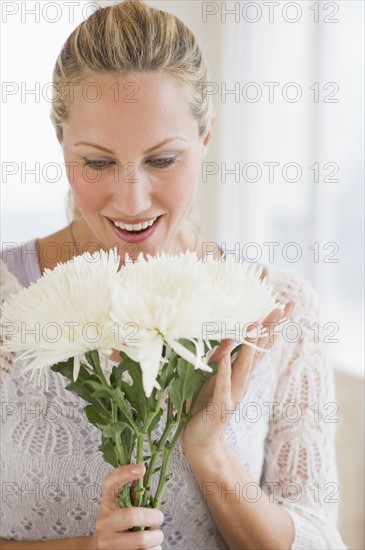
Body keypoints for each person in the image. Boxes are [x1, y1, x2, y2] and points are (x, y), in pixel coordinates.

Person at [0, 1, 346, 548]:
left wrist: (209, 454)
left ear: (206, 137)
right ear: (61, 144)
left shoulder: (277, 308)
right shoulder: (5, 301)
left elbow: (322, 540)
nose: (132, 200)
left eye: (162, 160)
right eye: (97, 162)